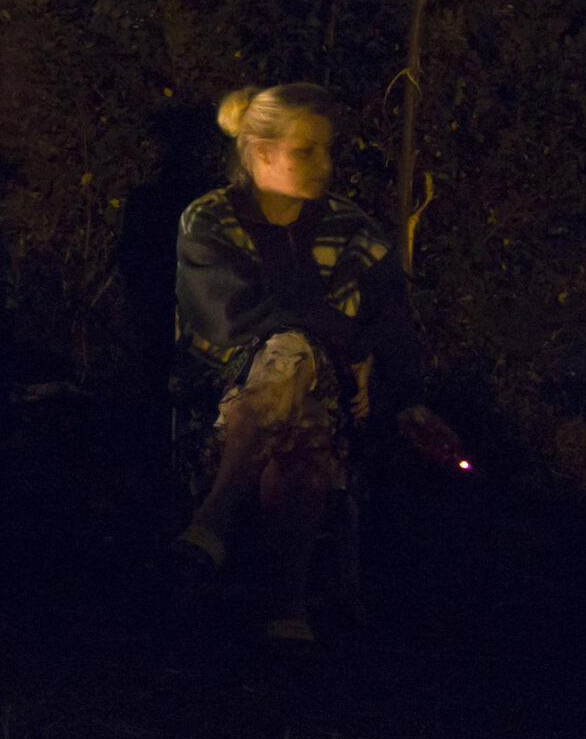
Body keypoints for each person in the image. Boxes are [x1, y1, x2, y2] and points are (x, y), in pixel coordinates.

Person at [169, 83, 459, 644]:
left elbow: (391, 322)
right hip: (221, 393)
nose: (325, 164)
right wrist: (346, 340)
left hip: (326, 396)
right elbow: (228, 319)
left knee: (299, 373)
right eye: (307, 150)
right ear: (260, 154)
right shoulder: (209, 221)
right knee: (293, 367)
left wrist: (410, 399)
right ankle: (289, 606)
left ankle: (212, 524)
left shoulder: (351, 228)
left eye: (328, 149)